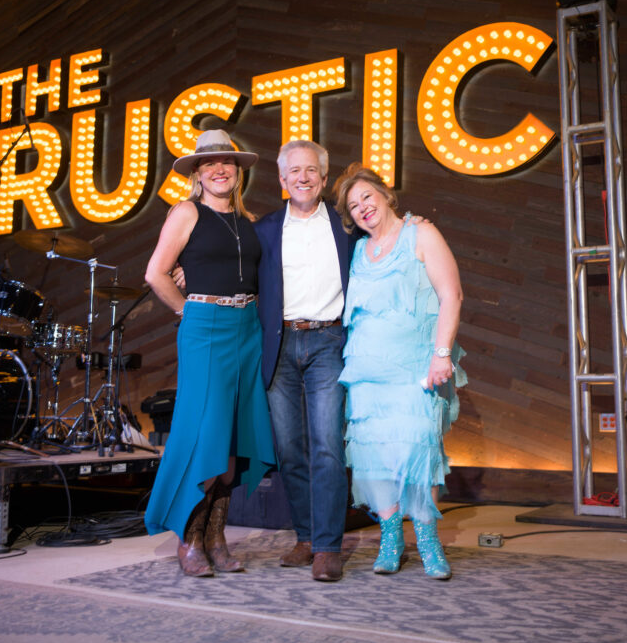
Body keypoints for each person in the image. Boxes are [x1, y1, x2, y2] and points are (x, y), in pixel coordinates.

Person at [143, 129, 277, 577]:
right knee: (206, 433)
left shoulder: (248, 221)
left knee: (235, 437)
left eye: (228, 162)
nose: (220, 169)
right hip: (206, 326)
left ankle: (217, 536)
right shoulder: (186, 211)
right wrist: (188, 311)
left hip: (248, 329)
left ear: (239, 172)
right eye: (210, 163)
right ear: (198, 173)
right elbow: (156, 273)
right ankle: (189, 535)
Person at [332, 163, 466, 579]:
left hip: (414, 369)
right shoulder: (357, 250)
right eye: (353, 206)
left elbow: (451, 294)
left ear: (386, 194)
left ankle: (426, 539)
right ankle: (391, 537)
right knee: (374, 458)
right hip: (366, 372)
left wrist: (441, 353)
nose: (362, 208)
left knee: (417, 451)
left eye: (367, 197)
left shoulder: (421, 234)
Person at [253, 139, 359, 582]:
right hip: (279, 345)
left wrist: (415, 223)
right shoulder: (264, 230)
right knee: (290, 451)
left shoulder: (346, 224)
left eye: (311, 170)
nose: (302, 177)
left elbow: (389, 231)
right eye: (294, 171)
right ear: (281, 180)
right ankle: (306, 536)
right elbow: (233, 268)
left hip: (327, 342)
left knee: (326, 447)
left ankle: (328, 547)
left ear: (323, 177)